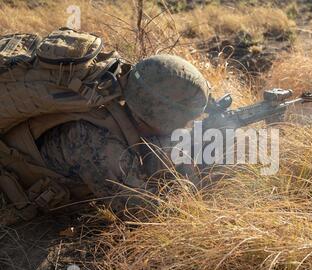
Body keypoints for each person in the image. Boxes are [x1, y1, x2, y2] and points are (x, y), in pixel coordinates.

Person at [0, 30, 210, 225]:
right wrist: (197, 184)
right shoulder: (100, 145)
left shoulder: (117, 92)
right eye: (185, 122)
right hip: (11, 186)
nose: (186, 127)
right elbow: (142, 215)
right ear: (160, 119)